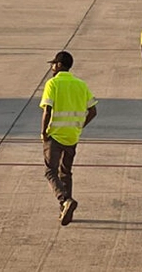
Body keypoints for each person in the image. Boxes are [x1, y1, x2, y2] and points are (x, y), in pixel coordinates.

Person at [40, 50, 97, 226]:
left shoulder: (53, 84)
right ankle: (65, 209)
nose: (51, 67)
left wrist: (43, 132)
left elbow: (47, 110)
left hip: (55, 135)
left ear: (58, 65)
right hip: (72, 136)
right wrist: (79, 126)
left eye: (53, 64)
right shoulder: (81, 84)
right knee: (65, 172)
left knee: (50, 171)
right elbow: (93, 111)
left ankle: (65, 200)